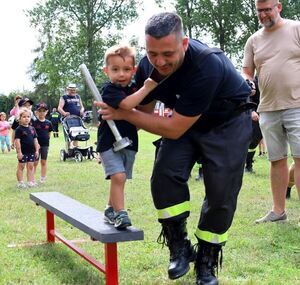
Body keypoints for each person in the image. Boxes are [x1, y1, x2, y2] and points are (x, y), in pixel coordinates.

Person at [96, 12, 252, 285]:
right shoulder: (147, 66)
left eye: (167, 53)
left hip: (227, 122)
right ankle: (179, 247)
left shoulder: (206, 65)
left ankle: (206, 260)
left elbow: (173, 128)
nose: (159, 61)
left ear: (184, 43)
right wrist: (116, 118)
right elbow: (143, 111)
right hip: (187, 121)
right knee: (164, 176)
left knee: (220, 195)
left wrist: (123, 114)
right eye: (152, 53)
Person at [242, 0, 300, 223]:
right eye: (259, 10)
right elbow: (247, 71)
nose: (263, 14)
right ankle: (278, 211)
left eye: (267, 9)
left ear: (279, 7)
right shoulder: (253, 40)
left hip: (297, 105)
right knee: (276, 160)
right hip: (267, 108)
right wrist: (248, 81)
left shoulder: (296, 28)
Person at [97, 44, 157, 230]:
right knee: (119, 176)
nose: (121, 74)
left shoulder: (132, 88)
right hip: (110, 142)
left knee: (120, 178)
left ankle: (110, 209)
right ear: (106, 71)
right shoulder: (109, 90)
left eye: (126, 69)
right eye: (115, 69)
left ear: (134, 70)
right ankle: (121, 214)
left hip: (129, 142)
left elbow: (141, 110)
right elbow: (126, 105)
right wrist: (147, 88)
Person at [14, 108, 39, 188]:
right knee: (21, 166)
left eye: (28, 116)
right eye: (24, 117)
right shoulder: (19, 129)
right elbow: (17, 141)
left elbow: (35, 140)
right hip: (23, 152)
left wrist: (37, 150)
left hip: (32, 151)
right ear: (19, 118)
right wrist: (19, 152)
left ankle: (30, 181)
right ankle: (20, 182)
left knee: (31, 166)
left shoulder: (32, 129)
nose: (26, 118)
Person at [245, 77, 263, 173]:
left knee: (256, 140)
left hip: (266, 113)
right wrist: (252, 111)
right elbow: (248, 96)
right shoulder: (253, 82)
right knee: (252, 140)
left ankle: (248, 164)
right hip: (254, 115)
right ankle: (248, 165)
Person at [33, 102, 53, 184]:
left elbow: (49, 134)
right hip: (36, 145)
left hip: (45, 145)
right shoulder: (34, 123)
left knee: (43, 162)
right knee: (35, 162)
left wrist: (47, 140)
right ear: (36, 112)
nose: (42, 113)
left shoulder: (48, 123)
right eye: (40, 111)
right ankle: (32, 179)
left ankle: (42, 178)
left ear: (47, 112)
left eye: (43, 111)